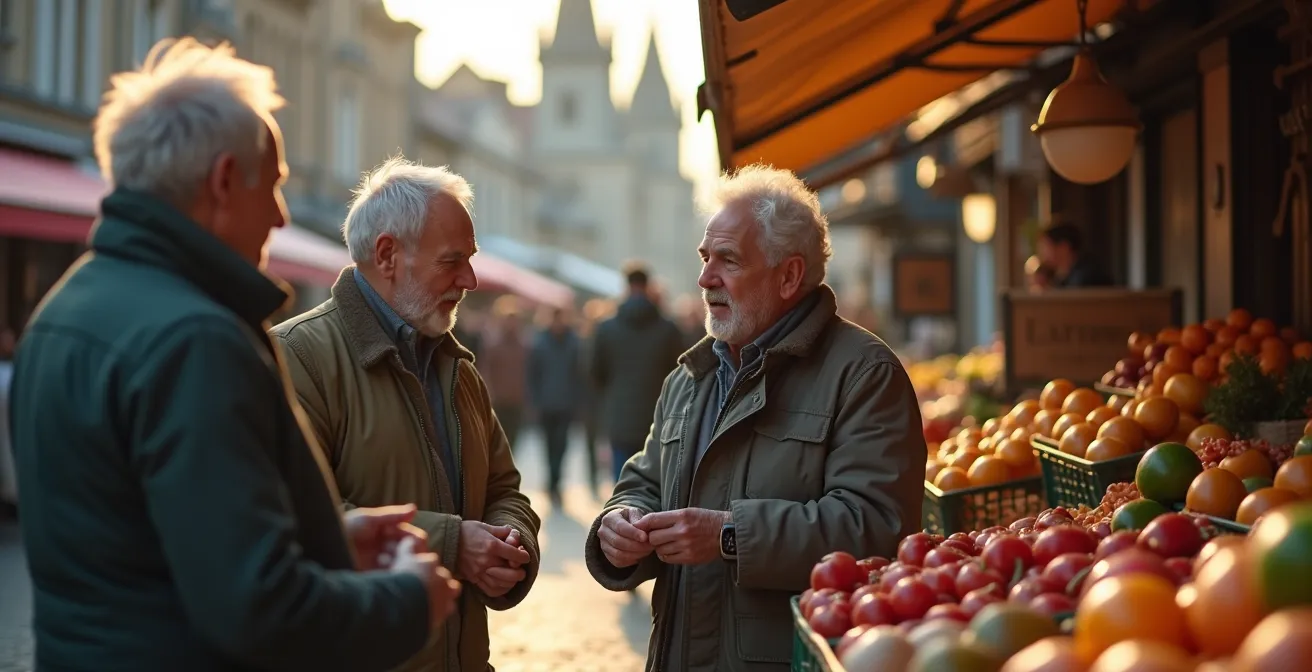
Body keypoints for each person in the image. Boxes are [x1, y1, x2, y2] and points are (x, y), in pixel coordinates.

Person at [7, 39, 460, 671]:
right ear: (223, 181)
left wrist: (322, 538)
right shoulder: (195, 340)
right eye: (272, 185)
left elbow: (132, 544)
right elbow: (260, 612)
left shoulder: (63, 310)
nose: (279, 216)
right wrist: (407, 600)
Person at [584, 165, 927, 670]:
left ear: (788, 275)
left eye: (728, 260)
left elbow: (876, 526)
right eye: (705, 258)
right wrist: (618, 524)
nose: (705, 278)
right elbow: (644, 479)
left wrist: (728, 534)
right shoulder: (692, 374)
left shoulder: (863, 373)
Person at [270, 156, 540, 672]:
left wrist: (511, 543)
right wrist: (452, 544)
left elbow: (506, 490)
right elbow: (290, 520)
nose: (471, 279)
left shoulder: (455, 365)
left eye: (472, 258)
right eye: (451, 260)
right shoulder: (295, 356)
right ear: (388, 254)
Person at [591, 263, 685, 485]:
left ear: (626, 286)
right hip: (659, 417)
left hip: (619, 416)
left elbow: (596, 373)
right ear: (648, 287)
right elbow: (680, 374)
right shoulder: (668, 329)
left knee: (622, 483)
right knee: (655, 485)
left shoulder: (606, 329)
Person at [527, 307, 586, 506]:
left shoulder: (574, 342)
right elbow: (532, 374)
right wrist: (534, 401)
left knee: (561, 447)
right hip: (546, 404)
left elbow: (580, 375)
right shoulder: (540, 342)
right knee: (548, 446)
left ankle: (555, 484)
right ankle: (551, 482)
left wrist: (578, 400)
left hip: (566, 404)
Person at [478, 295, 530, 453]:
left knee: (512, 441)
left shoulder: (524, 346)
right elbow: (484, 370)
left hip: (517, 400)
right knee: (495, 441)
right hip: (497, 401)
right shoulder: (492, 344)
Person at [1036, 222, 1113, 287]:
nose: (1042, 253)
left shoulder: (1086, 278)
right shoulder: (1062, 277)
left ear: (1064, 247)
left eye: (1045, 247)